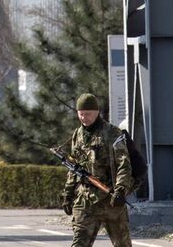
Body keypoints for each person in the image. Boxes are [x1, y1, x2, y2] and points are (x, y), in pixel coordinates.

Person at [61, 93, 133, 247]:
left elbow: (123, 164)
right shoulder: (77, 135)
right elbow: (74, 167)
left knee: (122, 245)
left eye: (88, 114)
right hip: (85, 200)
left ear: (97, 112)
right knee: (79, 243)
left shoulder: (112, 133)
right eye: (81, 114)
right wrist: (67, 193)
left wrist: (121, 190)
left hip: (111, 200)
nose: (84, 118)